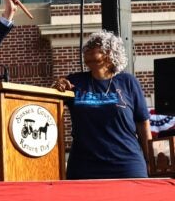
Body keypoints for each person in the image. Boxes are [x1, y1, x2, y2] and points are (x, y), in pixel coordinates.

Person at [52, 30, 152, 179]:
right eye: (87, 47)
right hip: (84, 168)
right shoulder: (75, 81)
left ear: (110, 53)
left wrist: (150, 160)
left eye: (96, 46)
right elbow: (50, 105)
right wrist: (56, 87)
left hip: (127, 166)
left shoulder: (128, 82)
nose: (88, 50)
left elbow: (143, 124)